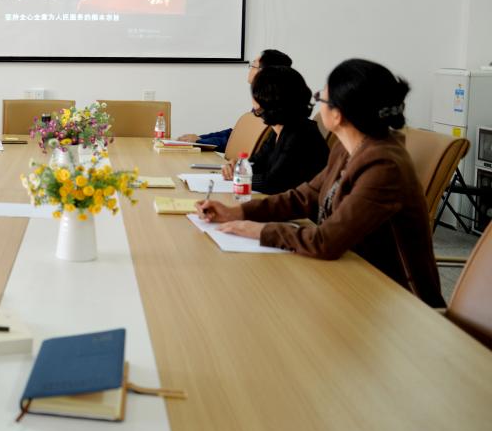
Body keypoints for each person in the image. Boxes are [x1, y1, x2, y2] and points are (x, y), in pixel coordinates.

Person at [196, 59, 444, 308]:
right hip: (351, 274)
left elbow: (326, 241)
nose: (316, 104)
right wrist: (237, 212)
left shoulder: (384, 165)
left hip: (395, 299)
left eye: (321, 98)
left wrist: (259, 231)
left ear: (338, 114)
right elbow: (304, 197)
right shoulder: (348, 148)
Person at [220, 65, 330, 194]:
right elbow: (257, 163)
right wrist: (237, 167)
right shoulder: (279, 129)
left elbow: (273, 183)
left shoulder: (301, 134)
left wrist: (239, 176)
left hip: (302, 205)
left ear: (268, 98)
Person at [178, 49, 293, 148]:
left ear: (264, 72)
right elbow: (238, 134)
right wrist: (200, 139)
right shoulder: (263, 102)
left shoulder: (273, 109)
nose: (250, 69)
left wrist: (200, 141)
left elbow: (244, 141)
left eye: (253, 65)